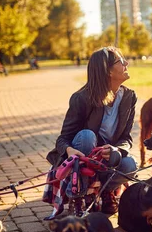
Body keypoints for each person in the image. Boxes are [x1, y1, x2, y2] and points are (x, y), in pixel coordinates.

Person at [46, 46, 137, 214]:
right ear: (108, 71)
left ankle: (105, 192)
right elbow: (63, 139)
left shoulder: (129, 97)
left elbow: (126, 138)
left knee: (130, 165)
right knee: (87, 136)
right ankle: (78, 197)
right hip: (84, 156)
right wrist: (70, 150)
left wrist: (117, 149)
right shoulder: (81, 98)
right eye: (121, 61)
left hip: (105, 159)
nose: (126, 63)